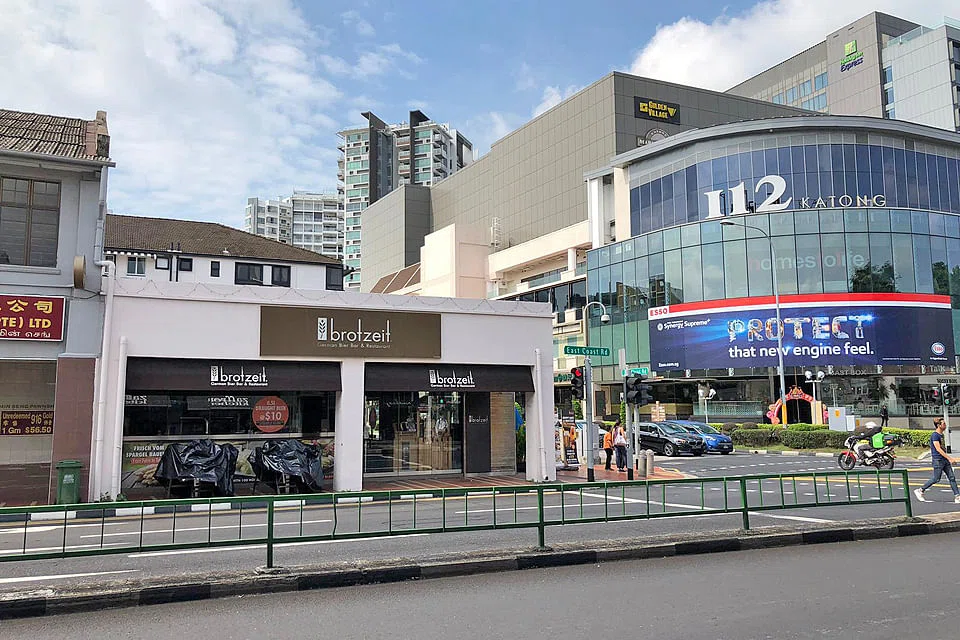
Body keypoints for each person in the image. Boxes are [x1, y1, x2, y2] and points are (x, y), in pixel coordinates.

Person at [915, 418, 960, 504]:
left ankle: (957, 496)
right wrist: (950, 458)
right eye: (943, 424)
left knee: (952, 478)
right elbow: (938, 449)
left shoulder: (941, 435)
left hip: (944, 459)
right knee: (936, 479)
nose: (945, 425)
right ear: (939, 425)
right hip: (938, 460)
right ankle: (920, 490)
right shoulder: (935, 435)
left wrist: (947, 458)